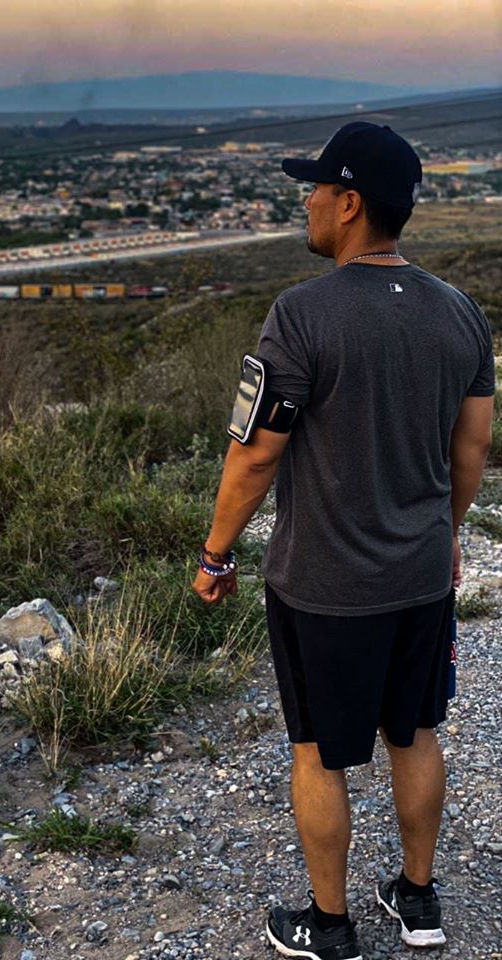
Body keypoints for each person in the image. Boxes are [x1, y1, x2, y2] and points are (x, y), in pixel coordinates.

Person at [192, 121, 495, 960]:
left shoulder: (300, 315)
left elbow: (254, 459)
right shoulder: (462, 314)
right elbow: (469, 453)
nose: (309, 200)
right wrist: (447, 533)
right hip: (422, 575)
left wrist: (215, 555)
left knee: (320, 752)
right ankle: (420, 901)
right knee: (416, 732)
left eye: (317, 188)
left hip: (324, 586)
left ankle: (329, 928)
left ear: (351, 203)